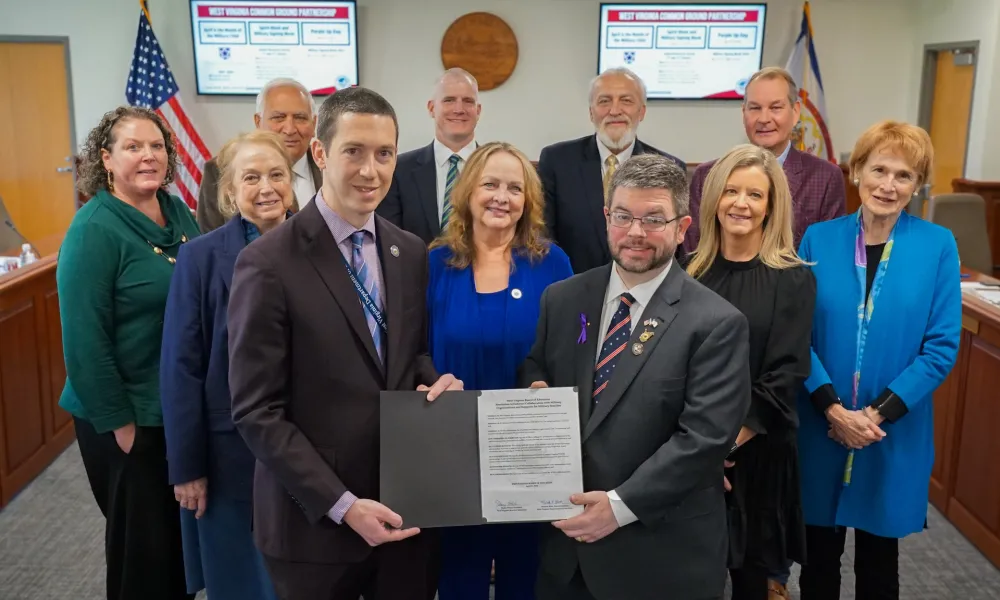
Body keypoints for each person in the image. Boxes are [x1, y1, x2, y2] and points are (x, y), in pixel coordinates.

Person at [227, 86, 463, 600]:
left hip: (404, 514)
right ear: (319, 153)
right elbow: (256, 411)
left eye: (384, 154)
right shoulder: (268, 263)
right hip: (314, 524)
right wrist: (343, 503)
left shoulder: (409, 250)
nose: (370, 171)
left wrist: (433, 383)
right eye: (353, 151)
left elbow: (409, 356)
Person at [520, 153, 751, 600]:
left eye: (654, 219)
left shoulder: (717, 323)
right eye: (624, 216)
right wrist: (536, 391)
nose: (636, 233)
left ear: (683, 228)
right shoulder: (562, 298)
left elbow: (704, 439)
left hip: (660, 558)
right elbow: (537, 366)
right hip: (567, 555)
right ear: (607, 217)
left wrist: (619, 507)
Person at [796, 120, 962, 600]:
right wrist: (832, 410)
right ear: (856, 172)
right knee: (818, 565)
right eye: (879, 169)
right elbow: (797, 336)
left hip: (890, 430)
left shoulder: (937, 246)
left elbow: (941, 347)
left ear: (918, 185)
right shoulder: (818, 239)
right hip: (821, 424)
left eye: (904, 175)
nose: (889, 185)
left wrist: (870, 417)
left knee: (878, 569)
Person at [56, 106, 201, 600]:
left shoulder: (177, 210)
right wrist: (121, 425)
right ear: (106, 157)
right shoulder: (93, 228)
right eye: (134, 147)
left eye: (157, 145)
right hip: (125, 420)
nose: (148, 156)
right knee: (141, 557)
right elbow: (83, 342)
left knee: (177, 551)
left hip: (175, 411)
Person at [427, 142, 573, 599]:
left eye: (515, 187)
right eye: (490, 184)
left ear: (528, 199)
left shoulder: (553, 262)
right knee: (458, 573)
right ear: (468, 190)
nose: (501, 197)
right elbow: (411, 346)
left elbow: (573, 346)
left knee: (525, 572)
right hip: (454, 446)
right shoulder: (433, 262)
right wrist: (431, 379)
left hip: (529, 450)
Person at [160, 130, 295, 600]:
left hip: (310, 451)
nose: (266, 188)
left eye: (277, 174)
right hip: (228, 456)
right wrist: (187, 466)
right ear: (230, 192)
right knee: (242, 584)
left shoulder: (323, 248)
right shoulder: (198, 258)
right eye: (251, 177)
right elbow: (181, 367)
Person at [685, 144, 813, 599]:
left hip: (758, 454)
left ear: (770, 206)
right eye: (731, 191)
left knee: (754, 584)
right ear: (713, 199)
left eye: (755, 195)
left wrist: (723, 442)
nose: (741, 203)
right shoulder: (687, 273)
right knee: (691, 578)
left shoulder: (793, 278)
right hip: (691, 455)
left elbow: (786, 375)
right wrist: (698, 450)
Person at [684, 67, 845, 260]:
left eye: (775, 108)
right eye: (755, 108)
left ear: (795, 112)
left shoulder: (825, 177)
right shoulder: (707, 175)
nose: (764, 119)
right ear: (744, 113)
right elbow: (694, 252)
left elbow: (827, 254)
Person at [538, 67, 685, 274]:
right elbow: (544, 236)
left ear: (641, 111)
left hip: (643, 287)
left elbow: (672, 245)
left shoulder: (668, 167)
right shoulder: (557, 161)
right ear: (591, 112)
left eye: (626, 101)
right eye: (604, 101)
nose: (614, 111)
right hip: (572, 288)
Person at [197, 77, 321, 232]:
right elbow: (209, 243)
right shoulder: (220, 170)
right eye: (278, 118)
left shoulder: (331, 167)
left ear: (314, 123)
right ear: (258, 122)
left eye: (300, 118)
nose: (289, 129)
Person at [378, 68, 481, 244]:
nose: (459, 109)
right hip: (417, 270)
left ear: (478, 110)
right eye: (449, 100)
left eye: (467, 101)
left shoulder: (496, 169)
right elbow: (388, 239)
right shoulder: (399, 169)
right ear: (432, 108)